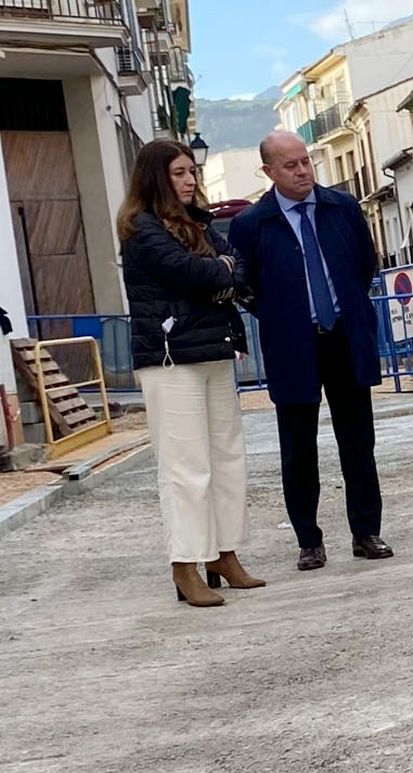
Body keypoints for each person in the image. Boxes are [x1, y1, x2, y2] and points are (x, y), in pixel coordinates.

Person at [228, 132, 392, 572]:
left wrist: (344, 308)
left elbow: (365, 265)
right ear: (268, 172)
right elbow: (245, 287)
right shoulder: (251, 224)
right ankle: (308, 540)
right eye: (290, 166)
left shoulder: (342, 208)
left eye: (306, 162)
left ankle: (366, 532)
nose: (302, 171)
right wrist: (283, 315)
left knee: (358, 440)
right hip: (292, 344)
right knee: (298, 447)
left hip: (344, 336)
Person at [118, 139, 263, 608]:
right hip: (169, 358)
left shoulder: (198, 221)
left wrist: (218, 272)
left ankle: (224, 553)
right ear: (157, 177)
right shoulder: (140, 229)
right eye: (179, 173)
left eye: (191, 172)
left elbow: (236, 269)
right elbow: (187, 272)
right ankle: (185, 565)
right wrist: (216, 272)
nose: (190, 180)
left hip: (215, 349)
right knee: (185, 467)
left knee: (226, 457)